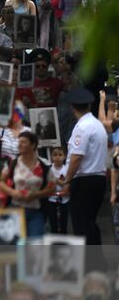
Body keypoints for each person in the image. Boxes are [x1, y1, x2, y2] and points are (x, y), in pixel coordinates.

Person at [61, 87, 108, 246]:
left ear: (72, 107)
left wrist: (67, 181)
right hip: (98, 178)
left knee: (82, 225)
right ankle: (96, 263)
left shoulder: (82, 127)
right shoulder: (98, 125)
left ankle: (89, 265)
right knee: (90, 224)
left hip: (84, 181)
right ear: (89, 106)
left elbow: (76, 158)